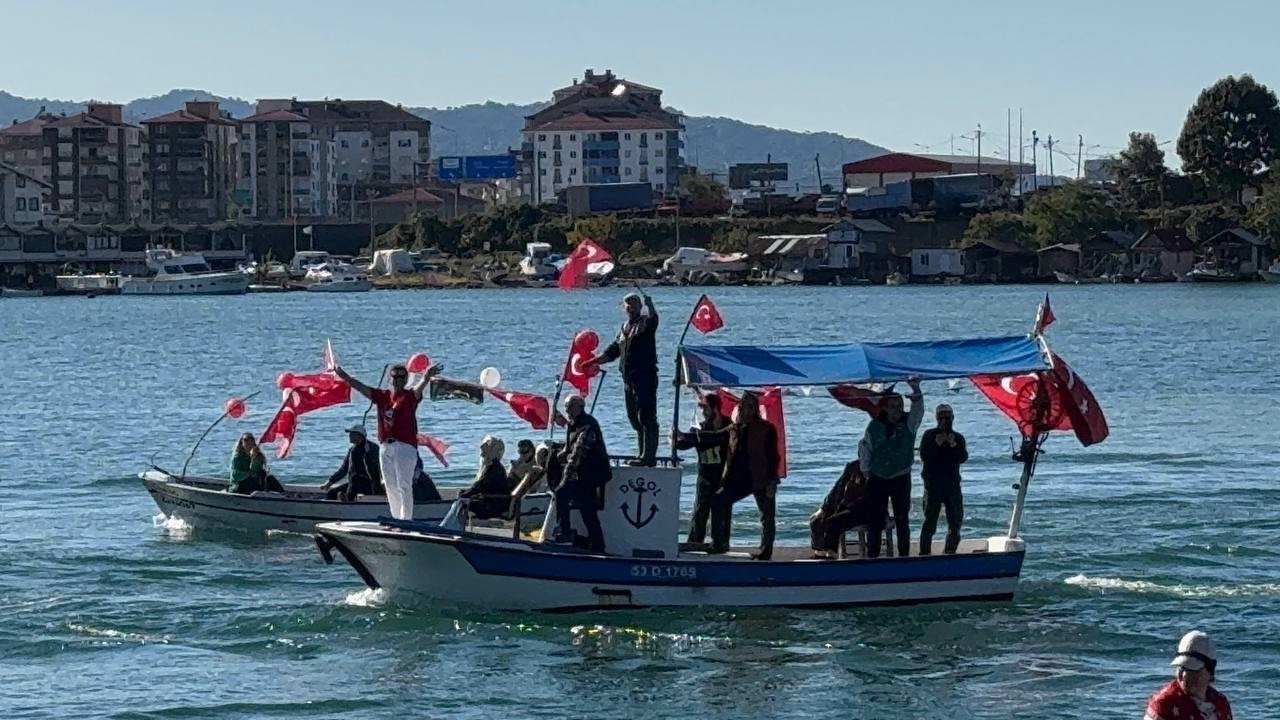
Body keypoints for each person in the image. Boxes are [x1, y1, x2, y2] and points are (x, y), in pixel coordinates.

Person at [336, 361, 442, 520]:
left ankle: (406, 519)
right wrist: (345, 377)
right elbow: (361, 387)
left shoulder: (409, 397)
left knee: (404, 485)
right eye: (395, 377)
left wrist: (426, 377)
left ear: (406, 379)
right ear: (390, 379)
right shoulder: (382, 396)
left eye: (402, 377)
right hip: (385, 446)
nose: (398, 380)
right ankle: (396, 518)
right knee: (390, 485)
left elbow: (419, 388)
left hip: (405, 447)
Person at [702, 392, 780, 560]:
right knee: (717, 501)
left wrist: (773, 480)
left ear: (755, 410)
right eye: (743, 406)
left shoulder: (766, 428)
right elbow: (713, 437)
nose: (745, 410)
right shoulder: (733, 428)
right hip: (738, 479)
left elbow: (774, 456)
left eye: (750, 407)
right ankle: (718, 543)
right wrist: (687, 436)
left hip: (761, 478)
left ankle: (766, 551)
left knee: (767, 515)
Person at [585, 291, 659, 466]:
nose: (630, 306)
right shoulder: (624, 329)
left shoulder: (645, 324)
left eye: (633, 303)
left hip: (645, 377)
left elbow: (654, 321)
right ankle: (641, 453)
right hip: (628, 379)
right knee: (634, 418)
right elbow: (612, 352)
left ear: (640, 306)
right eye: (627, 304)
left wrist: (651, 305)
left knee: (646, 417)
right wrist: (592, 361)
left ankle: (648, 457)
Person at [857, 378, 923, 558]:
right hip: (877, 477)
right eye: (893, 406)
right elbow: (865, 448)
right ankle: (873, 556)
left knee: (902, 518)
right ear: (886, 408)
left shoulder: (909, 423)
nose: (897, 410)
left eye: (899, 406)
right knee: (875, 520)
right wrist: (866, 471)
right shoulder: (874, 426)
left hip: (900, 476)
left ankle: (904, 555)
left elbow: (918, 411)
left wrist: (916, 389)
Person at [552, 395, 609, 552]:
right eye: (566, 407)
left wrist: (567, 474)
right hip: (584, 475)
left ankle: (564, 533)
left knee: (561, 493)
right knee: (588, 511)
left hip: (589, 474)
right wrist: (561, 452)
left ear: (579, 407)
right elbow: (571, 446)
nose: (567, 410)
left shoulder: (587, 425)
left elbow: (580, 451)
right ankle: (598, 545)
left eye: (569, 407)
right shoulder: (574, 424)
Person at [672, 393, 730, 545]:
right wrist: (674, 440)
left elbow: (714, 437)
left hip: (723, 476)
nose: (703, 411)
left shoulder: (727, 425)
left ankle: (720, 542)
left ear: (715, 408)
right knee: (700, 510)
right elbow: (684, 444)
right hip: (705, 475)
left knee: (721, 512)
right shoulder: (701, 427)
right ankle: (695, 541)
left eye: (705, 407)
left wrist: (686, 436)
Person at [1145, 631, 1233, 720]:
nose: (1183, 675)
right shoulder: (1164, 705)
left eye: (1192, 670)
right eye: (1181, 668)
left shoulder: (1221, 704)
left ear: (1209, 671)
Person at [918, 403, 968, 555]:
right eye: (941, 417)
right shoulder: (929, 435)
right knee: (929, 522)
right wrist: (936, 444)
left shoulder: (958, 438)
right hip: (933, 486)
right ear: (937, 418)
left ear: (953, 418)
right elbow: (924, 456)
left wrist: (953, 444)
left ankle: (950, 551)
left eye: (948, 417)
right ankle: (924, 553)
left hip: (952, 485)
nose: (945, 420)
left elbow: (962, 457)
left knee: (955, 522)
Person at [808, 461, 876, 559]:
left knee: (833, 523)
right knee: (815, 520)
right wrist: (823, 508)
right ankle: (820, 553)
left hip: (863, 509)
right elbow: (838, 487)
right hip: (846, 505)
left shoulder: (876, 468)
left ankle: (831, 555)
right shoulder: (853, 466)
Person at [321, 425, 382, 502]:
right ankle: (341, 502)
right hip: (353, 483)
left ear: (360, 436)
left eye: (352, 434)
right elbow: (344, 469)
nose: (349, 436)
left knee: (355, 482)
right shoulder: (352, 450)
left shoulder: (373, 448)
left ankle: (347, 499)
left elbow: (377, 470)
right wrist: (329, 482)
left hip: (368, 484)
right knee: (331, 493)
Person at [460, 435, 514, 520]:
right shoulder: (492, 466)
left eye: (484, 453)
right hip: (492, 500)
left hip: (494, 504)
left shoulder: (494, 468)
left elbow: (479, 486)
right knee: (462, 495)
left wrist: (463, 496)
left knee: (461, 502)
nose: (482, 455)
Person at [507, 440, 548, 519]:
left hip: (528, 487)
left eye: (525, 452)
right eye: (520, 452)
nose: (522, 455)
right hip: (518, 483)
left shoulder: (536, 461)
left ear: (532, 451)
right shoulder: (521, 459)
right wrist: (514, 468)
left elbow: (536, 470)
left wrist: (521, 470)